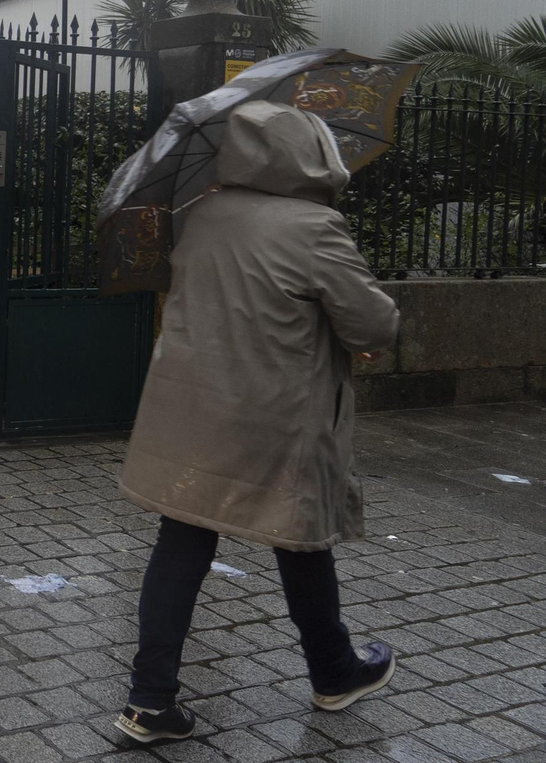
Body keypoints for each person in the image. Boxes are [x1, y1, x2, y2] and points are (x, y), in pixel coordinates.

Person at [114, 100, 401, 744]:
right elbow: (372, 324)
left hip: (193, 406)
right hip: (276, 413)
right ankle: (334, 672)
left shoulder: (200, 215)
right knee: (300, 534)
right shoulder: (315, 226)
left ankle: (149, 701)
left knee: (182, 541)